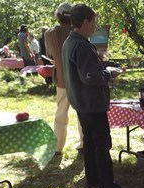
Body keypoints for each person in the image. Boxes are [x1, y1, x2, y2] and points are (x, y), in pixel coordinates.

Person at [62, 4, 128, 188]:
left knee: (90, 142)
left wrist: (101, 63)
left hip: (81, 102)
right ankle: (106, 184)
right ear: (85, 22)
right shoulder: (81, 44)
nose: (95, 26)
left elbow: (84, 69)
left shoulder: (70, 42)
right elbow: (90, 77)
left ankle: (92, 179)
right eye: (94, 22)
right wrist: (109, 73)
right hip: (91, 104)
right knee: (102, 144)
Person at [45, 2, 84, 154]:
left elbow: (50, 55)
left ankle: (58, 147)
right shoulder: (80, 32)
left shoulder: (50, 33)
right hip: (80, 80)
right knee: (82, 113)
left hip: (62, 79)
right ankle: (84, 143)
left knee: (61, 114)